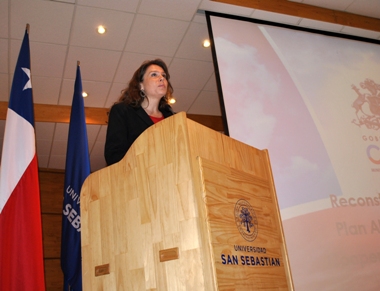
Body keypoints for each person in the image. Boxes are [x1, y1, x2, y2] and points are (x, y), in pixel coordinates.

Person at [104, 59, 175, 166]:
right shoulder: (122, 111)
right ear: (140, 85)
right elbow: (114, 155)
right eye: (154, 75)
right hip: (136, 177)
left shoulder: (172, 117)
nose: (162, 78)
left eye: (164, 76)